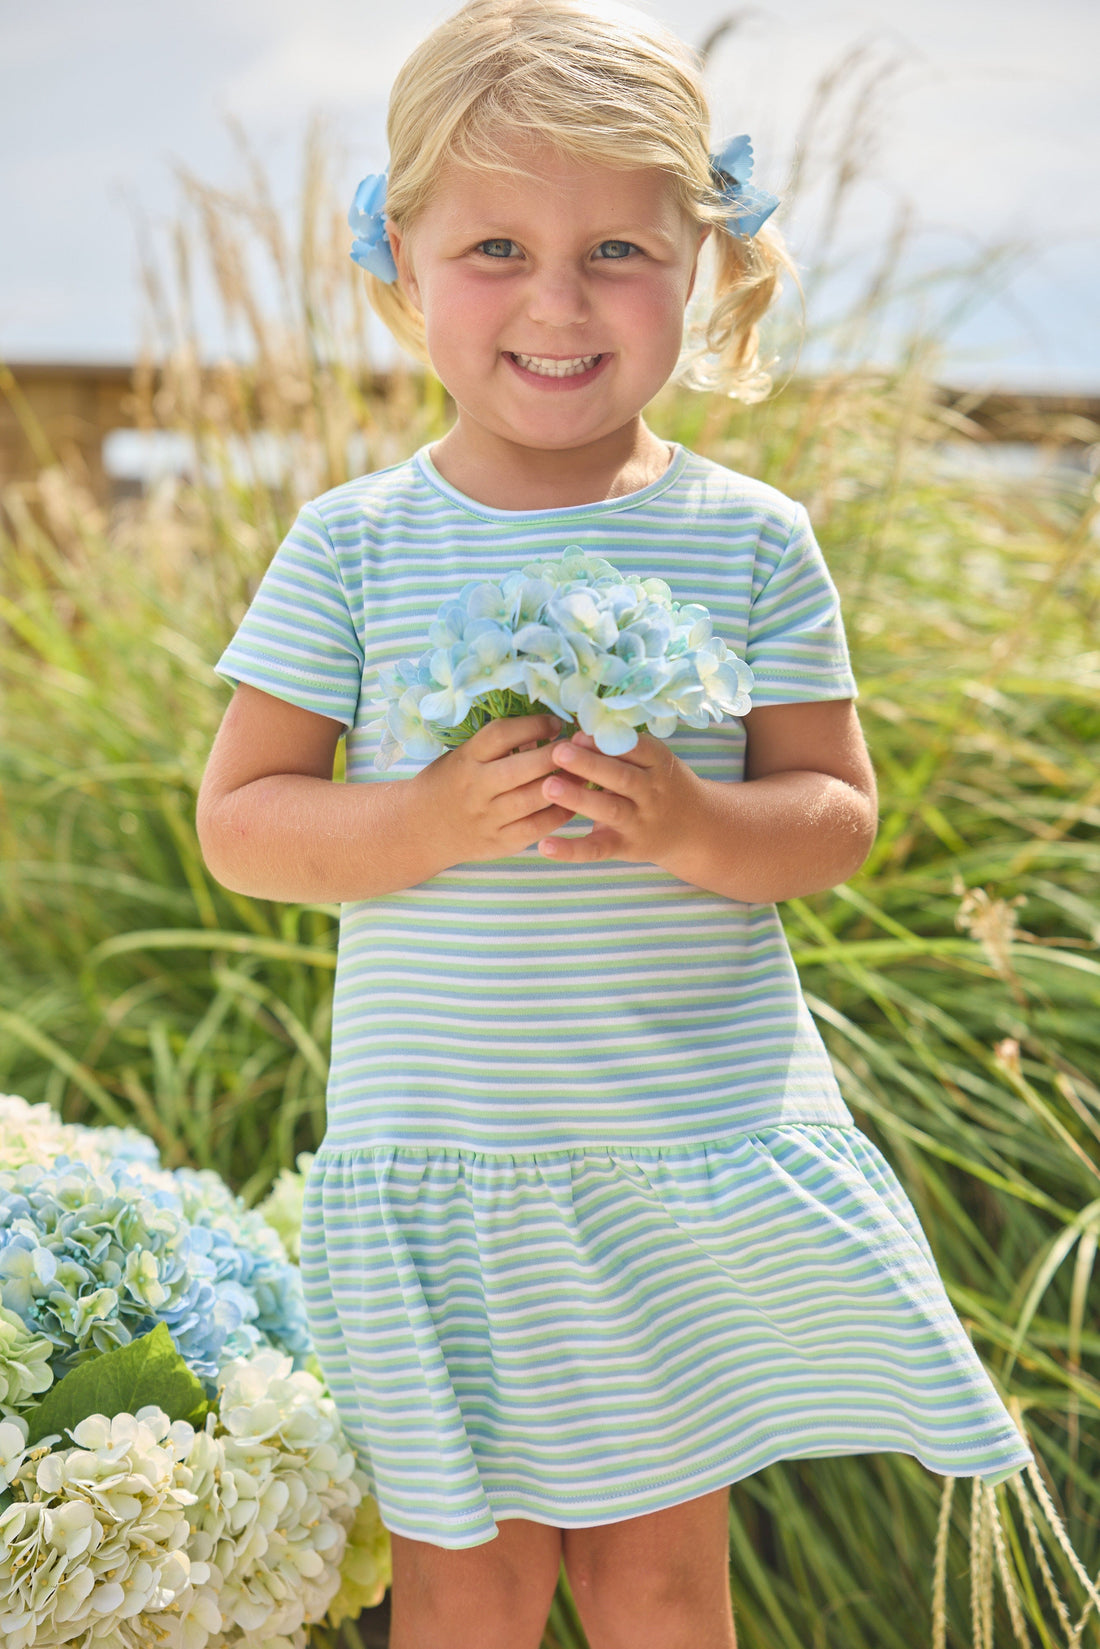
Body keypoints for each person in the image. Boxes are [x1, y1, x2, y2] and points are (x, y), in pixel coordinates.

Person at [196, 1, 1033, 1644]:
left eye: (621, 251)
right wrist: (429, 816)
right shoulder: (356, 545)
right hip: (451, 1158)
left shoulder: (749, 537)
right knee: (469, 1571)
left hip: (670, 1157)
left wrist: (690, 823)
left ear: (703, 261)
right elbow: (244, 820)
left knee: (658, 1570)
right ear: (404, 262)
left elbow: (833, 811)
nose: (559, 302)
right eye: (497, 245)